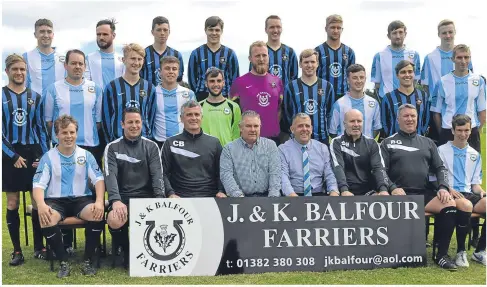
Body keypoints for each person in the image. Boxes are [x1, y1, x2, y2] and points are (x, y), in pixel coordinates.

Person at [380, 104, 457, 270]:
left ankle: (440, 254)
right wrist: (392, 187)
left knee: (449, 204)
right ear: (398, 119)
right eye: (406, 116)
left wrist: (443, 187)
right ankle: (397, 252)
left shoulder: (428, 143)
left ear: (417, 119)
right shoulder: (388, 142)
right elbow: (381, 171)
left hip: (423, 193)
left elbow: (440, 168)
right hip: (399, 195)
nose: (410, 119)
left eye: (413, 116)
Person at [32, 115, 105, 278]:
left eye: (72, 132)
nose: (69, 136)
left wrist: (99, 201)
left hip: (81, 200)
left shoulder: (86, 155)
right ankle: (63, 262)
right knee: (46, 218)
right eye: (64, 132)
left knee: (97, 213)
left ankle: (87, 261)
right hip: (56, 201)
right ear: (56, 135)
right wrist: (42, 205)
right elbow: (38, 185)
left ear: (76, 133)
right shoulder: (48, 157)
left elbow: (99, 180)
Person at [104, 107, 165, 269]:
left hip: (147, 198)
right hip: (123, 199)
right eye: (130, 122)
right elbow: (110, 177)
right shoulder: (112, 148)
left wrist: (159, 201)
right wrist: (116, 201)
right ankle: (126, 251)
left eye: (137, 122)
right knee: (115, 219)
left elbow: (157, 176)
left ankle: (146, 250)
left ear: (142, 124)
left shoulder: (152, 147)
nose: (134, 125)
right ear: (122, 124)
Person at [2, 54, 48, 266]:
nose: (19, 73)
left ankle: (39, 247)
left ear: (26, 72)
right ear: (7, 72)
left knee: (37, 201)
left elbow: (39, 129)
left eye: (22, 69)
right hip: (9, 153)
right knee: (12, 202)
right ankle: (17, 250)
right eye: (15, 69)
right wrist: (12, 156)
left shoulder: (35, 97)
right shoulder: (1, 96)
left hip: (32, 154)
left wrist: (43, 156)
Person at [437, 115, 486, 267]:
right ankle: (461, 252)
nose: (463, 134)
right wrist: (448, 188)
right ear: (452, 130)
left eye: (466, 130)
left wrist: (481, 191)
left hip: (468, 193)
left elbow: (474, 184)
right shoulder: (441, 150)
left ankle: (480, 252)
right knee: (465, 205)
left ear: (471, 131)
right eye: (459, 130)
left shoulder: (475, 154)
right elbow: (435, 176)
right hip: (449, 194)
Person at [44, 50, 103, 164]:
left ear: (85, 66)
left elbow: (98, 122)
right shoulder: (53, 89)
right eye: (73, 63)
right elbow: (49, 122)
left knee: (90, 181)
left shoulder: (96, 89)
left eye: (80, 64)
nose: (77, 66)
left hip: (90, 145)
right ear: (65, 65)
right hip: (62, 146)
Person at [421, 19, 474, 146]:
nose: (448, 36)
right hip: (438, 112)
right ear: (439, 34)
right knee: (440, 150)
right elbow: (425, 86)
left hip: (464, 113)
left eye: (450, 32)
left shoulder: (463, 55)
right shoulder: (430, 57)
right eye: (444, 33)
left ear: (455, 32)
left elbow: (470, 81)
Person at [161, 100, 225, 198]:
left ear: (202, 118)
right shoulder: (170, 142)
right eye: (189, 115)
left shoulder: (214, 143)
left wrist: (221, 191)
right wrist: (170, 193)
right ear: (181, 118)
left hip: (209, 197)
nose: (193, 118)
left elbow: (222, 171)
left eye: (197, 114)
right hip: (179, 199)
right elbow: (163, 173)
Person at [430, 44, 485, 153]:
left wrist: (474, 131)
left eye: (466, 57)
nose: (463, 61)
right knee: (446, 167)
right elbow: (436, 112)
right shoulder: (442, 82)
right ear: (453, 59)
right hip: (448, 131)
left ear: (470, 58)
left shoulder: (478, 81)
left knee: (471, 168)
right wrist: (443, 131)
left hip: (471, 131)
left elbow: (482, 110)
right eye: (459, 57)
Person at [230, 41, 284, 145]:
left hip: (273, 140)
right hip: (248, 140)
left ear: (268, 57)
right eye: (257, 56)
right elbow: (234, 114)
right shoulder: (239, 83)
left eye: (264, 55)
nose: (261, 59)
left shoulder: (277, 81)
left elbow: (279, 110)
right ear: (250, 58)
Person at [102, 43, 156, 143]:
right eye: (133, 58)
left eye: (139, 59)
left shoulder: (149, 88)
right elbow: (106, 118)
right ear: (124, 60)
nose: (136, 62)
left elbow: (151, 116)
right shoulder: (112, 87)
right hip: (117, 142)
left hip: (143, 142)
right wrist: (109, 141)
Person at [220, 110, 281, 197]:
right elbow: (226, 175)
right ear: (240, 127)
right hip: (239, 199)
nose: (253, 129)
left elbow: (275, 173)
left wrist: (273, 197)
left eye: (256, 126)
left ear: (260, 127)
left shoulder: (271, 145)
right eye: (248, 126)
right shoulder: (229, 149)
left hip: (267, 197)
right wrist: (239, 197)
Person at [329, 109, 389, 196]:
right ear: (344, 124)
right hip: (346, 192)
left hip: (369, 192)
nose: (356, 124)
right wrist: (344, 190)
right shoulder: (336, 142)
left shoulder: (372, 143)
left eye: (359, 121)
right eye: (352, 121)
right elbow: (338, 167)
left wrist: (383, 189)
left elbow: (378, 168)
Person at [282, 49, 335, 144]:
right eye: (306, 62)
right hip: (297, 139)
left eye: (312, 62)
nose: (309, 65)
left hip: (321, 139)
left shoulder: (327, 86)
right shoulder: (291, 87)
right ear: (300, 64)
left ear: (317, 63)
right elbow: (287, 114)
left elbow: (330, 113)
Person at [279, 113, 338, 196]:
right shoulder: (283, 149)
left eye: (307, 126)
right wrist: (291, 195)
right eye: (300, 126)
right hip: (294, 195)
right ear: (292, 129)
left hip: (318, 195)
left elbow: (329, 173)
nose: (304, 129)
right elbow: (283, 175)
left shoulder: (322, 148)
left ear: (311, 128)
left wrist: (333, 191)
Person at [188, 16, 239, 101]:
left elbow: (235, 78)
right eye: (211, 30)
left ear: (221, 31)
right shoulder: (196, 53)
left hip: (224, 96)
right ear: (205, 30)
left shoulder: (230, 54)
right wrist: (198, 94)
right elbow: (192, 78)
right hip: (202, 96)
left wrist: (231, 96)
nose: (214, 33)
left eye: (217, 30)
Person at [149, 56, 196, 149]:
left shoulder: (188, 93)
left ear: (178, 72)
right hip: (159, 142)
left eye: (174, 69)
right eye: (167, 68)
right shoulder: (152, 92)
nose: (171, 71)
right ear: (160, 72)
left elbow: (195, 118)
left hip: (183, 142)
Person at [371, 20, 421, 100]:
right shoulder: (379, 56)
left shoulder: (414, 55)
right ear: (388, 36)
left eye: (400, 32)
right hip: (387, 100)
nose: (398, 36)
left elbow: (415, 80)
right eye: (394, 33)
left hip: (408, 100)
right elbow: (377, 84)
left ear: (405, 34)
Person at [329, 64, 381, 139]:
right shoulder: (339, 104)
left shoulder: (374, 103)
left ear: (365, 79)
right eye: (355, 78)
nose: (359, 81)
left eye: (361, 77)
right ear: (347, 80)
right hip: (345, 149)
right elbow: (332, 132)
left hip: (367, 149)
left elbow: (376, 128)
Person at [381, 60, 429, 137]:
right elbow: (384, 123)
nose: (407, 75)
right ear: (397, 75)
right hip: (395, 144)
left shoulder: (423, 96)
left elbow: (426, 120)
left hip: (418, 143)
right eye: (403, 72)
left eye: (410, 72)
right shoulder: (388, 98)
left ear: (414, 74)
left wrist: (420, 135)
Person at [249, 15, 298, 88]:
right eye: (272, 27)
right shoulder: (259, 51)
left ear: (282, 29)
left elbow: (294, 78)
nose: (275, 30)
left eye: (278, 27)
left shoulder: (290, 52)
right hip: (263, 96)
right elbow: (252, 76)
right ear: (266, 29)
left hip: (284, 97)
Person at [315, 14, 355, 99]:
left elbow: (352, 76)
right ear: (326, 29)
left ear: (342, 30)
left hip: (343, 96)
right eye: (332, 27)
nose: (336, 30)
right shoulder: (317, 51)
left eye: (338, 28)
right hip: (321, 95)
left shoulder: (349, 52)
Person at [23, 19, 65, 97]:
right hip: (35, 107)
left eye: (49, 32)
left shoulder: (64, 59)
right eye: (42, 31)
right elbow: (22, 85)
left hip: (58, 107)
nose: (46, 35)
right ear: (35, 34)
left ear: (53, 34)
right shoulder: (26, 57)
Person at [200, 67, 242, 146]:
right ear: (206, 83)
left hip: (227, 154)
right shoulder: (198, 107)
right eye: (212, 81)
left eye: (219, 81)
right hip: (205, 154)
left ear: (223, 83)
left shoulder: (234, 107)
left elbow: (236, 135)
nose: (216, 84)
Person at [140, 16, 184, 86]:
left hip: (170, 95)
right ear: (152, 32)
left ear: (169, 32)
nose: (162, 33)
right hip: (149, 95)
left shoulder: (176, 55)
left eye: (165, 30)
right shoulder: (143, 54)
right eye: (159, 30)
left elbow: (179, 79)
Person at [85, 18, 124, 91]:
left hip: (118, 101)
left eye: (105, 34)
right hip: (98, 101)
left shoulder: (122, 59)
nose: (101, 37)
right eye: (98, 34)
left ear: (113, 35)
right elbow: (86, 84)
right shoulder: (89, 58)